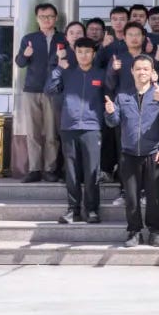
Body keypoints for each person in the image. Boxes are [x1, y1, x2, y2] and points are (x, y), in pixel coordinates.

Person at [104, 55, 159, 248]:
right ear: (132, 71)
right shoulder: (123, 96)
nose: (142, 72)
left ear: (152, 72)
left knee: (154, 196)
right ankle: (134, 231)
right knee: (131, 198)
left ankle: (155, 231)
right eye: (138, 69)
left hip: (153, 152)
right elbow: (113, 122)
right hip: (129, 153)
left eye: (146, 69)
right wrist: (110, 112)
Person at [45, 37, 108, 224]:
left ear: (93, 54)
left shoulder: (101, 74)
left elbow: (110, 97)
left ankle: (92, 210)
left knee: (91, 171)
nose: (83, 55)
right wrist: (58, 67)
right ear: (75, 53)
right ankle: (73, 210)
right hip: (69, 127)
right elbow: (49, 90)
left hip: (92, 128)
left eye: (87, 52)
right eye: (79, 52)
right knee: (71, 172)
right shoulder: (67, 73)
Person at [15, 2, 66, 184]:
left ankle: (50, 169)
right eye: (43, 16)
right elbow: (20, 63)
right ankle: (34, 169)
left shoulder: (63, 38)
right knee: (33, 132)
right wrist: (26, 54)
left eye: (50, 16)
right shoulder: (29, 38)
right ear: (37, 18)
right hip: (31, 90)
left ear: (56, 18)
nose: (47, 20)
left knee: (52, 133)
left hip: (53, 91)